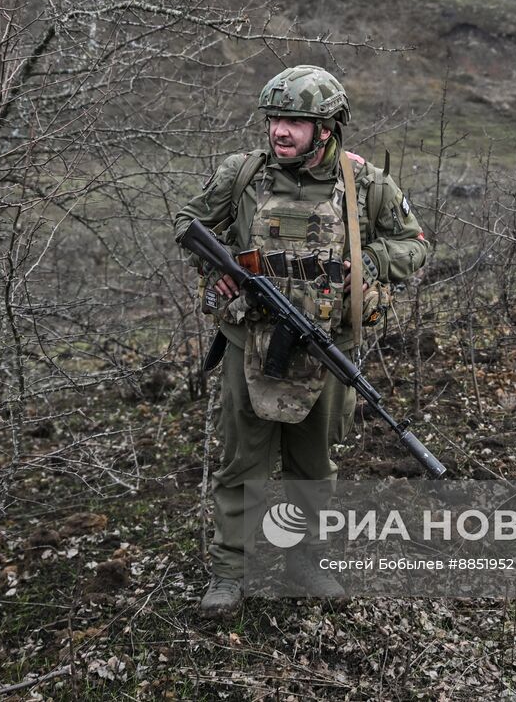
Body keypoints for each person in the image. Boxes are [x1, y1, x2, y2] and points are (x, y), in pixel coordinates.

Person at [173, 65, 430, 617]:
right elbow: (188, 222)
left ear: (328, 127)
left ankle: (305, 565)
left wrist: (359, 264)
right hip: (249, 341)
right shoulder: (241, 175)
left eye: (295, 121)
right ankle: (228, 575)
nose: (279, 131)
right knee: (242, 463)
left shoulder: (365, 184)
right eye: (274, 120)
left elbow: (414, 245)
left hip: (323, 348)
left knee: (312, 468)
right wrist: (215, 269)